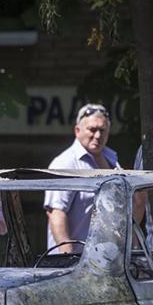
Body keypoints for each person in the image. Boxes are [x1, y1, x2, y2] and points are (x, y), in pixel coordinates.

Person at [43, 103, 119, 253]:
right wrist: (68, 258)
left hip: (105, 262)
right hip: (73, 265)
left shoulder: (113, 161)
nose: (97, 135)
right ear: (77, 131)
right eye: (92, 129)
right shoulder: (65, 164)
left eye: (102, 130)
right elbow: (56, 213)